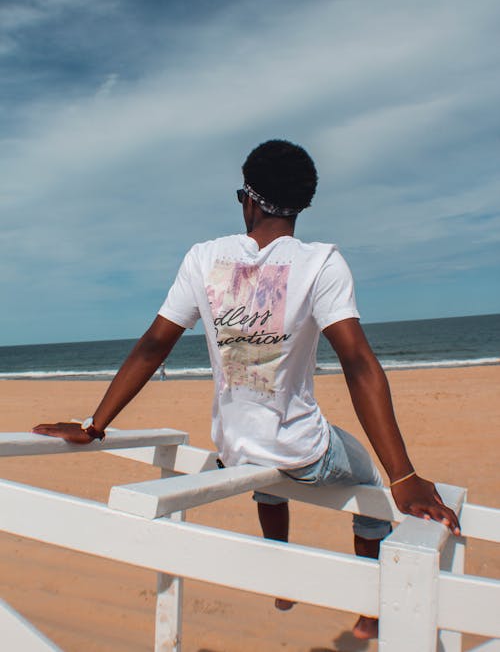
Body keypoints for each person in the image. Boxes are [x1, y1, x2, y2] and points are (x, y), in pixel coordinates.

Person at [33, 139, 460, 640]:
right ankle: (371, 610)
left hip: (235, 449)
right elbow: (358, 361)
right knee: (368, 478)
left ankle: (278, 570)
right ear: (302, 205)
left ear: (249, 200)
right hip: (303, 453)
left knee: (263, 463)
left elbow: (153, 345)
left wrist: (95, 425)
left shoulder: (203, 258)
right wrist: (403, 475)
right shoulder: (321, 263)